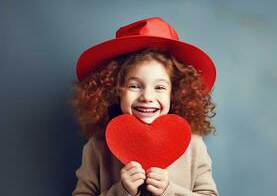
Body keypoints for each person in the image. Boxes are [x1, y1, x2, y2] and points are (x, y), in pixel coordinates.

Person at [71, 17, 218, 196]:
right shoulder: (98, 146)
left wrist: (169, 191)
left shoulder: (193, 144)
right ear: (116, 90)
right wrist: (121, 191)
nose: (147, 97)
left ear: (175, 93)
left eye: (159, 87)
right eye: (135, 86)